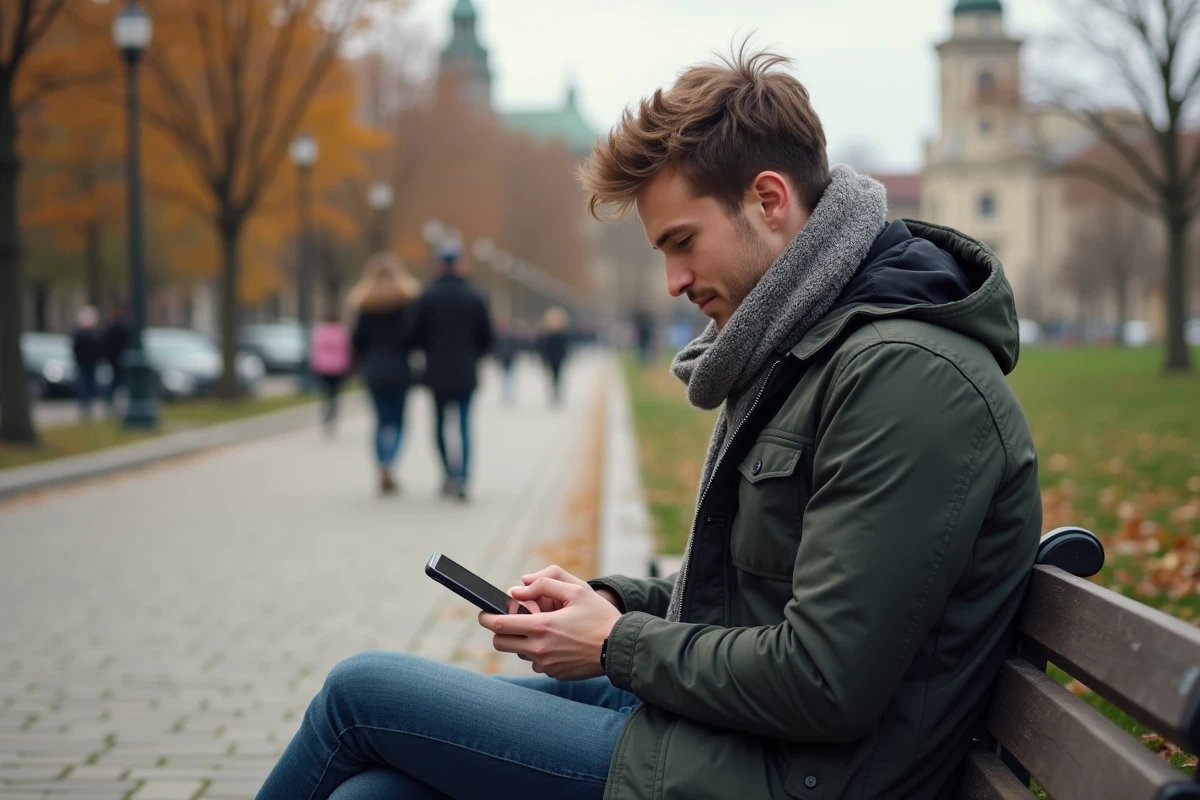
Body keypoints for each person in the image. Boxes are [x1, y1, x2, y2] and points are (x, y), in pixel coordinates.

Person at [258, 47, 1041, 800]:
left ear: (769, 201)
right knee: (373, 791)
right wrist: (609, 599)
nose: (672, 283)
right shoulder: (818, 346)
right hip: (740, 745)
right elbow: (753, 599)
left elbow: (825, 681)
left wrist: (611, 643)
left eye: (682, 243)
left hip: (794, 776)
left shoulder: (905, 378)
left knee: (361, 693)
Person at [408, 239, 493, 501]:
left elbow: (413, 335)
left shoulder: (427, 297)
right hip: (466, 371)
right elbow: (487, 338)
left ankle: (448, 473)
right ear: (460, 265)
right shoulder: (475, 297)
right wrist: (473, 355)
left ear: (438, 266)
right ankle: (464, 478)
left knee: (440, 427)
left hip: (436, 372)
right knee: (465, 427)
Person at [348, 253, 420, 495]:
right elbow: (412, 339)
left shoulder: (365, 305)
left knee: (380, 422)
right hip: (399, 369)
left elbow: (357, 341)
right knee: (399, 423)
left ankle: (382, 466)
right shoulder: (406, 303)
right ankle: (390, 463)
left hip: (374, 370)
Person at [310, 309, 353, 436]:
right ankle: (332, 412)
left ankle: (326, 410)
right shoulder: (341, 331)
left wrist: (314, 364)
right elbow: (347, 349)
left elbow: (316, 349)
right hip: (338, 367)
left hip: (323, 367)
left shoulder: (319, 331)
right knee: (335, 393)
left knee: (325, 392)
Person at [71, 306, 103, 422]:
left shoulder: (92, 335)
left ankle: (86, 407)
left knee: (88, 386)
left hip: (90, 364)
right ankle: (85, 408)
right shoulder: (83, 335)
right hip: (84, 364)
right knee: (84, 386)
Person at [538, 306, 571, 407]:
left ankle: (556, 393)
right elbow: (544, 348)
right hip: (554, 358)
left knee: (556, 376)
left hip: (556, 358)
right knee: (555, 376)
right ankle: (555, 393)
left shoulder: (557, 335)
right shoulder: (551, 335)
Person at [102, 302, 130, 412]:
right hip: (117, 360)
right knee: (117, 383)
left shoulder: (112, 327)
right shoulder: (120, 327)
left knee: (116, 383)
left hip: (115, 360)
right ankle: (114, 404)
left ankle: (113, 404)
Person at [492, 318, 520, 407]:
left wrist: (514, 355)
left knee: (510, 376)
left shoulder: (512, 337)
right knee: (504, 377)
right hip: (502, 358)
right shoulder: (499, 337)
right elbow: (495, 348)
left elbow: (516, 347)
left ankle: (509, 394)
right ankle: (505, 394)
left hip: (510, 358)